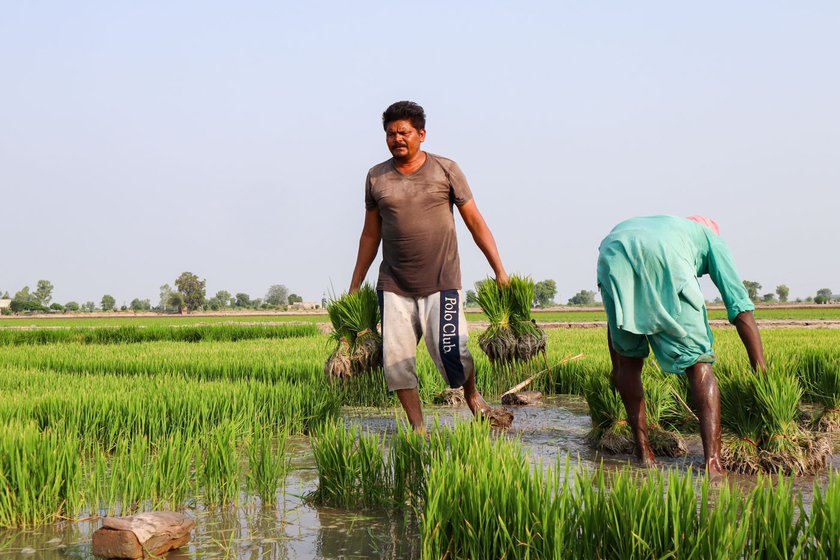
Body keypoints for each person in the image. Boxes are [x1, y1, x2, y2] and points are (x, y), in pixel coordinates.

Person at [349, 100, 509, 431]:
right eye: (390, 134)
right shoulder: (376, 178)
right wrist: (355, 284)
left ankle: (473, 395)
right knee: (397, 363)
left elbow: (475, 222)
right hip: (394, 285)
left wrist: (499, 270)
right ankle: (418, 430)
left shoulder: (446, 169)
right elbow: (369, 235)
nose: (397, 139)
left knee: (452, 352)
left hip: (442, 281)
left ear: (421, 134)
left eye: (404, 132)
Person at [597, 215, 766, 476]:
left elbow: (616, 318)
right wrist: (761, 372)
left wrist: (618, 366)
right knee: (699, 365)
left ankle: (644, 454)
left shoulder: (673, 228)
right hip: (665, 258)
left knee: (629, 363)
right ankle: (713, 465)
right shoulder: (711, 238)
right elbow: (741, 308)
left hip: (612, 252)